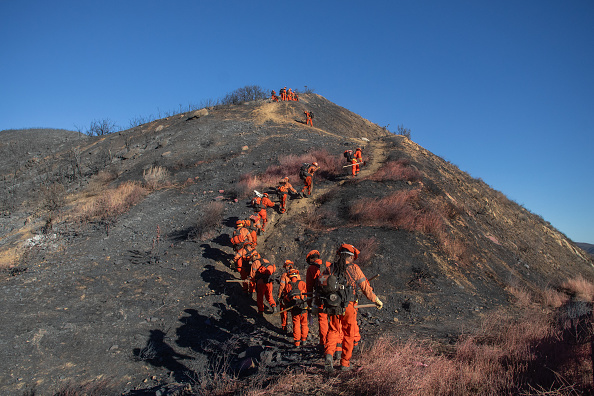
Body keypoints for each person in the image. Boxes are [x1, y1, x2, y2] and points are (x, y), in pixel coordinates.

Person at [318, 243, 383, 372]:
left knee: (333, 330)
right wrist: (375, 299)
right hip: (349, 306)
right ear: (351, 257)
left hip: (333, 305)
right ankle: (344, 363)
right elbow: (365, 288)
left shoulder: (330, 269)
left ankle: (329, 356)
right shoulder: (354, 269)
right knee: (349, 334)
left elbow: (320, 286)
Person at [305, 250, 330, 350]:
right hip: (334, 297)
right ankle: (336, 345)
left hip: (321, 298)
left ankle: (323, 343)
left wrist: (309, 303)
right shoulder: (327, 265)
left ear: (311, 259)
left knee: (323, 319)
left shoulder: (311, 268)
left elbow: (309, 287)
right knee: (334, 320)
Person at [281, 268, 308, 347]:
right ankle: (304, 340)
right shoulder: (302, 283)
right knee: (304, 323)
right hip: (303, 307)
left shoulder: (288, 285)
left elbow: (286, 297)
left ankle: (297, 342)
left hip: (294, 308)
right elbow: (307, 294)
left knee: (296, 324)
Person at [278, 260, 296, 333]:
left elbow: (282, 287)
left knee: (283, 311)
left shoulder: (284, 275)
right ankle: (296, 331)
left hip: (286, 296)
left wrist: (279, 297)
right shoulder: (297, 274)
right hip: (295, 296)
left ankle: (284, 327)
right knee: (295, 315)